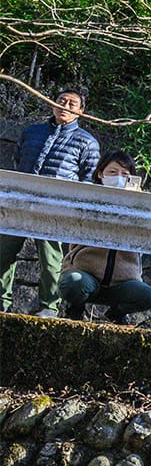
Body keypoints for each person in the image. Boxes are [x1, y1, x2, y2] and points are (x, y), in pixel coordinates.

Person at [2, 87, 101, 317]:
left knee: (51, 260)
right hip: (21, 201)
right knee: (3, 253)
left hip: (56, 207)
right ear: (52, 103)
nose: (65, 106)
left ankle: (49, 307)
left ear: (81, 112)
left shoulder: (87, 142)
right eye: (61, 101)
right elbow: (19, 160)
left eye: (72, 104)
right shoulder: (31, 132)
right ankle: (1, 301)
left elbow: (87, 179)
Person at [58, 151, 151, 323]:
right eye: (112, 172)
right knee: (73, 283)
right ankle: (75, 308)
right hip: (86, 276)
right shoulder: (87, 199)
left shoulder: (141, 205)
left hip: (122, 282)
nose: (118, 177)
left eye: (125, 174)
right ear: (100, 173)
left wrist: (136, 203)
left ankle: (117, 313)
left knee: (148, 296)